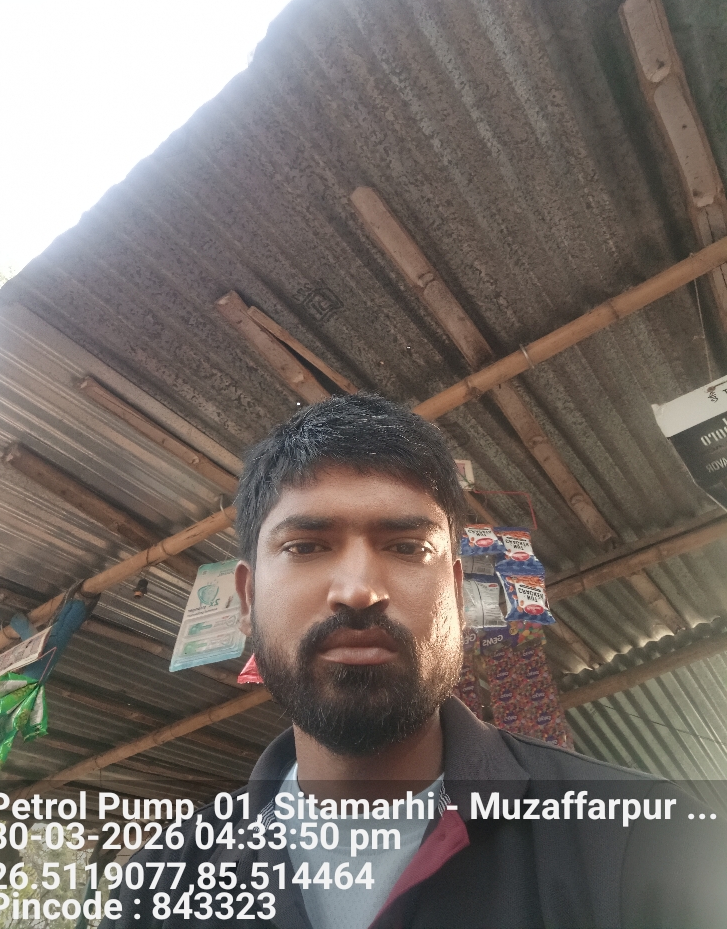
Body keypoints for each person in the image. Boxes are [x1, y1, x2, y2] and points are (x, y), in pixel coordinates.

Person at [105, 394, 727, 928]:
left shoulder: (645, 842)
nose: (357, 590)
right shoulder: (161, 885)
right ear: (246, 600)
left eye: (406, 547)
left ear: (456, 593)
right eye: (305, 546)